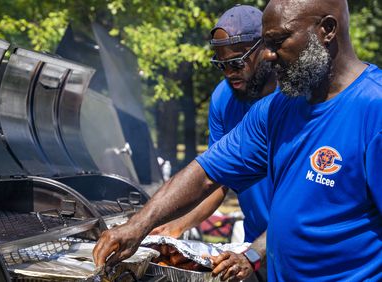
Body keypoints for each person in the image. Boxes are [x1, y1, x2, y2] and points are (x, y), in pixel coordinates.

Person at [93, 0, 382, 280]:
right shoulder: (278, 108)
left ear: (327, 30)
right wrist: (138, 225)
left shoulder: (374, 109)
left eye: (278, 41)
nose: (268, 55)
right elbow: (208, 173)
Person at [149, 5, 276, 281]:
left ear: (263, 49)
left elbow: (301, 202)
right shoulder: (223, 99)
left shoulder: (291, 101)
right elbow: (217, 180)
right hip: (256, 245)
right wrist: (176, 227)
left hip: (292, 247)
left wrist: (255, 254)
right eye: (222, 65)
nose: (229, 73)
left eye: (237, 63)